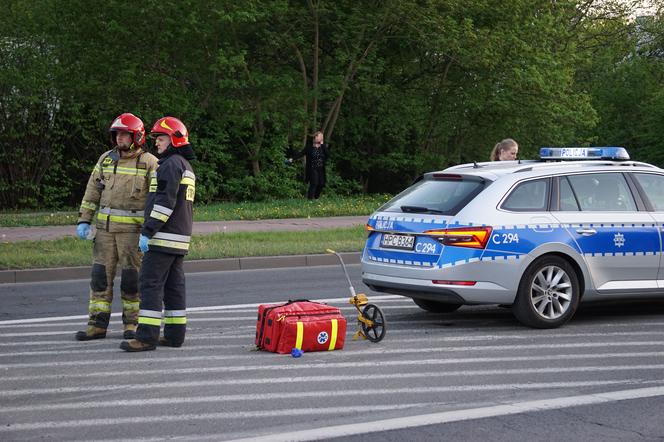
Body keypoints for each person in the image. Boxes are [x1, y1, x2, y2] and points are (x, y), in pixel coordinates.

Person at [75, 113, 159, 341]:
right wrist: (84, 219)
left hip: (133, 235)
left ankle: (131, 325)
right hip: (104, 233)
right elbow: (93, 190)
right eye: (117, 133)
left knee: (132, 281)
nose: (119, 138)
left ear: (137, 136)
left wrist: (150, 230)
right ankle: (97, 325)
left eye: (124, 134)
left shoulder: (149, 162)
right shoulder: (106, 159)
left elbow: (156, 199)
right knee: (99, 278)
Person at [120, 116, 196, 352]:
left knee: (150, 285)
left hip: (163, 238)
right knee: (174, 287)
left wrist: (148, 231)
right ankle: (174, 335)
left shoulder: (170, 165)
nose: (157, 143)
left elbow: (164, 203)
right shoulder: (185, 166)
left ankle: (146, 337)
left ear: (174, 139)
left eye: (161, 138)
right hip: (179, 239)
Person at [288, 131, 329, 199]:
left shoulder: (322, 147)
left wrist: (322, 145)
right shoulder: (309, 147)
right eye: (320, 137)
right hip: (312, 168)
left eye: (322, 137)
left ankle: (316, 197)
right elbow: (300, 154)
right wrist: (292, 159)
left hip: (321, 168)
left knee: (321, 184)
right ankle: (310, 200)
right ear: (315, 137)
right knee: (314, 183)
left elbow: (328, 155)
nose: (322, 138)